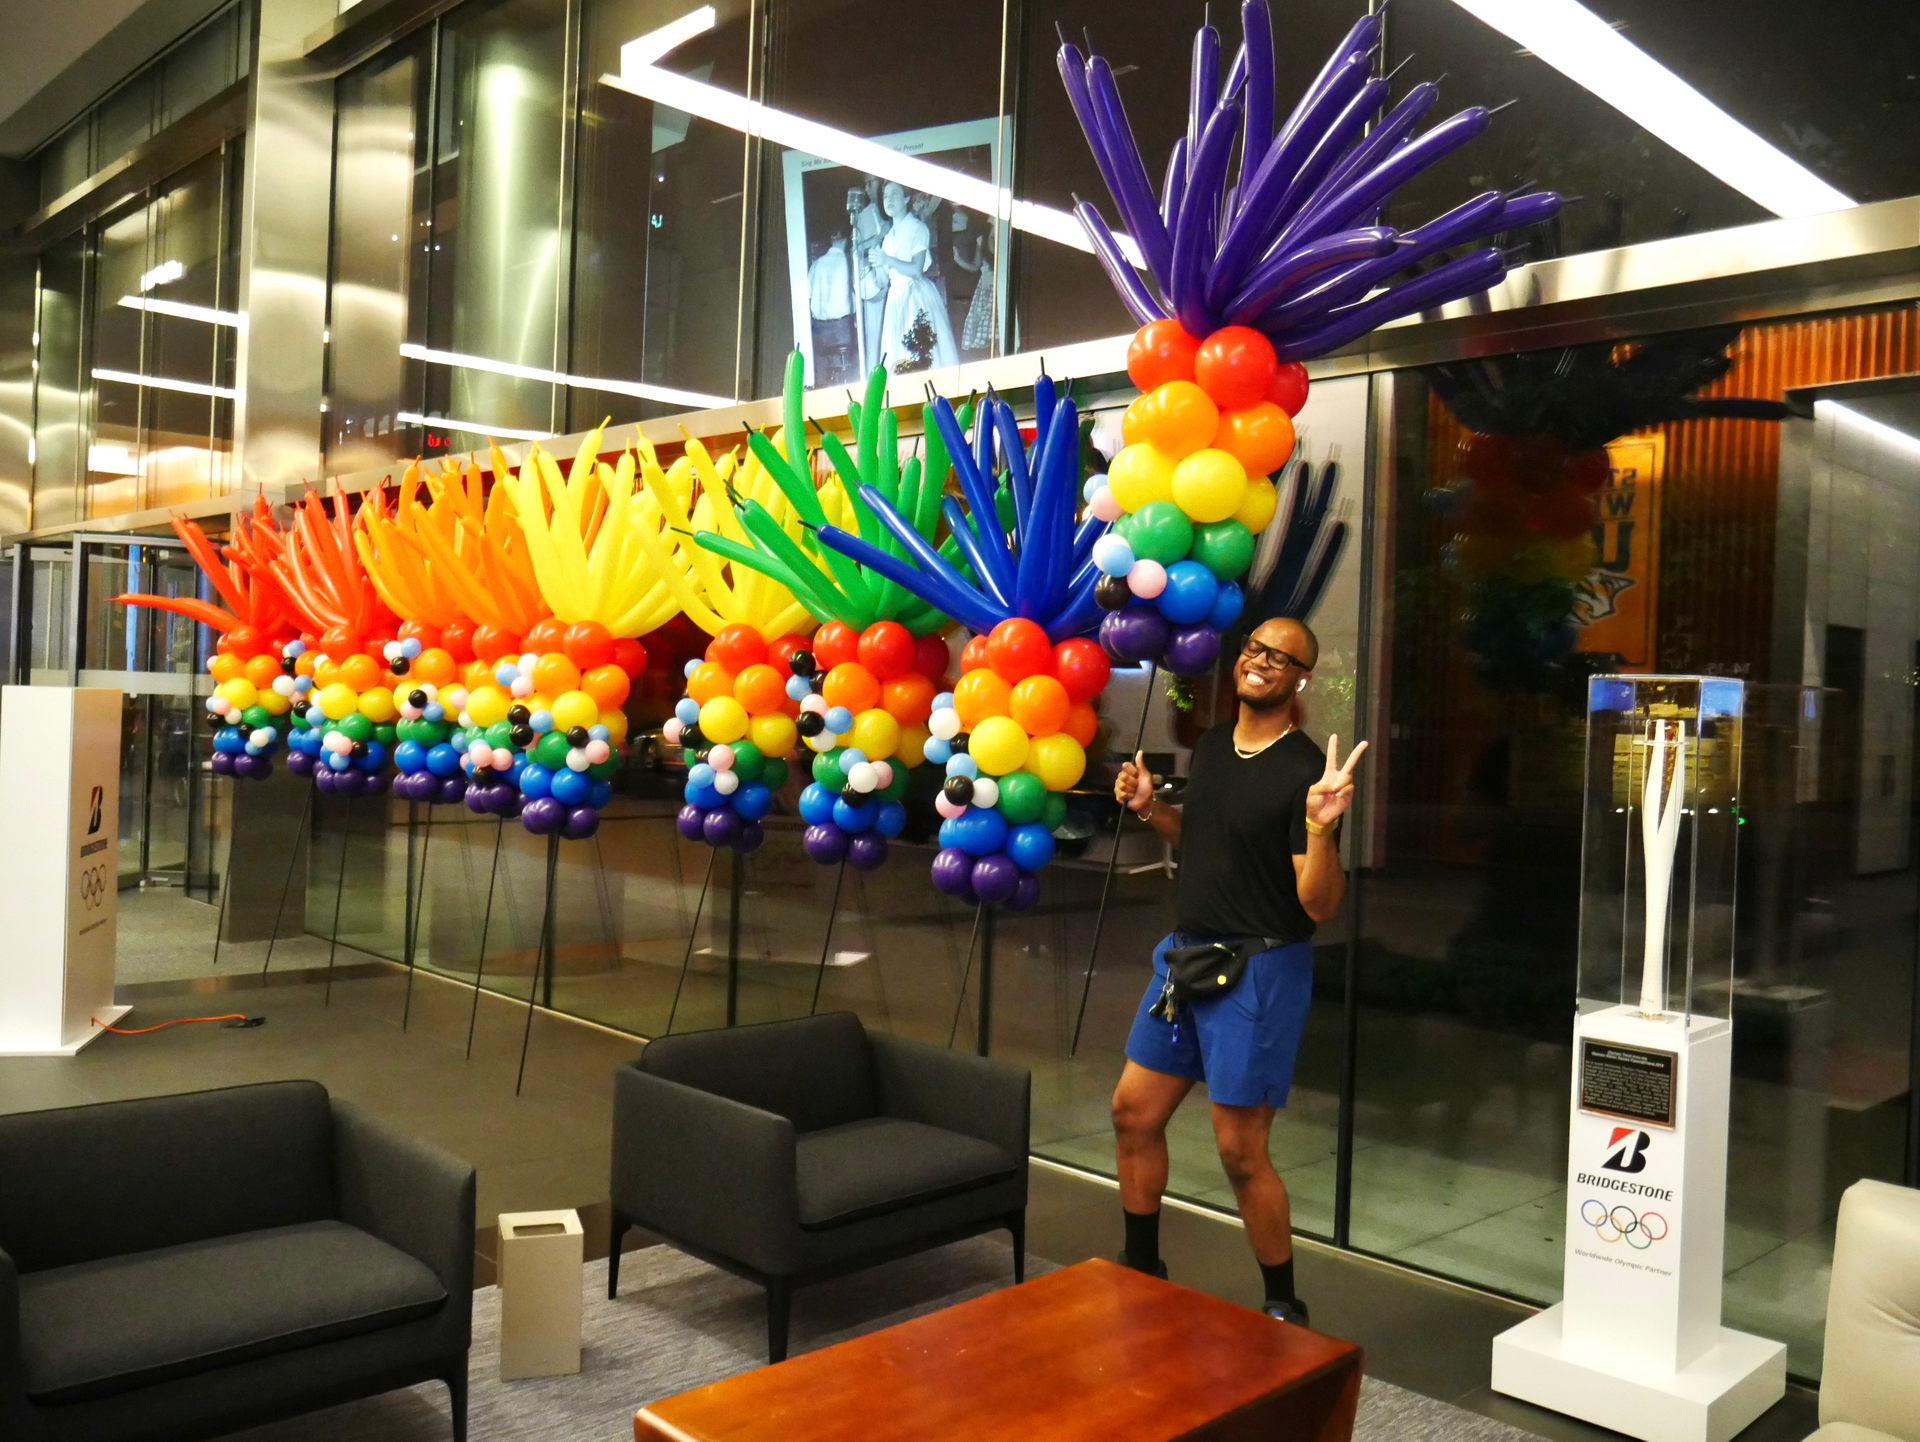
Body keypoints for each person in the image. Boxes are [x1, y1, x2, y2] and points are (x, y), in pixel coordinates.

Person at [1110, 616, 1367, 1326]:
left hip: (1259, 969)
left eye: (1281, 658)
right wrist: (1152, 808)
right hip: (1185, 956)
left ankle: (1283, 1302)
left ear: (1300, 679)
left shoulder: (1304, 772)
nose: (1261, 662)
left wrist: (1320, 829)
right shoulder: (1217, 746)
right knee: (1133, 1112)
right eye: (1255, 649)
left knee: (1239, 1150)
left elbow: (1318, 903)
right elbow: (1201, 837)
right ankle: (1142, 1266)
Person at [873, 180, 958, 371]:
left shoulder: (917, 228)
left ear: (906, 198)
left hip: (915, 296)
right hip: (895, 300)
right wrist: (878, 263)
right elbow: (883, 281)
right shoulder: (887, 238)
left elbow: (917, 269)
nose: (889, 199)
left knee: (922, 353)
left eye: (894, 194)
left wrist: (887, 260)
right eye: (885, 196)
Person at [848, 177, 887, 372]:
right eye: (873, 183)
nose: (876, 186)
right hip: (874, 287)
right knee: (874, 338)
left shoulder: (888, 213)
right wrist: (876, 240)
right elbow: (856, 250)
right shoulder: (863, 216)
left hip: (894, 282)